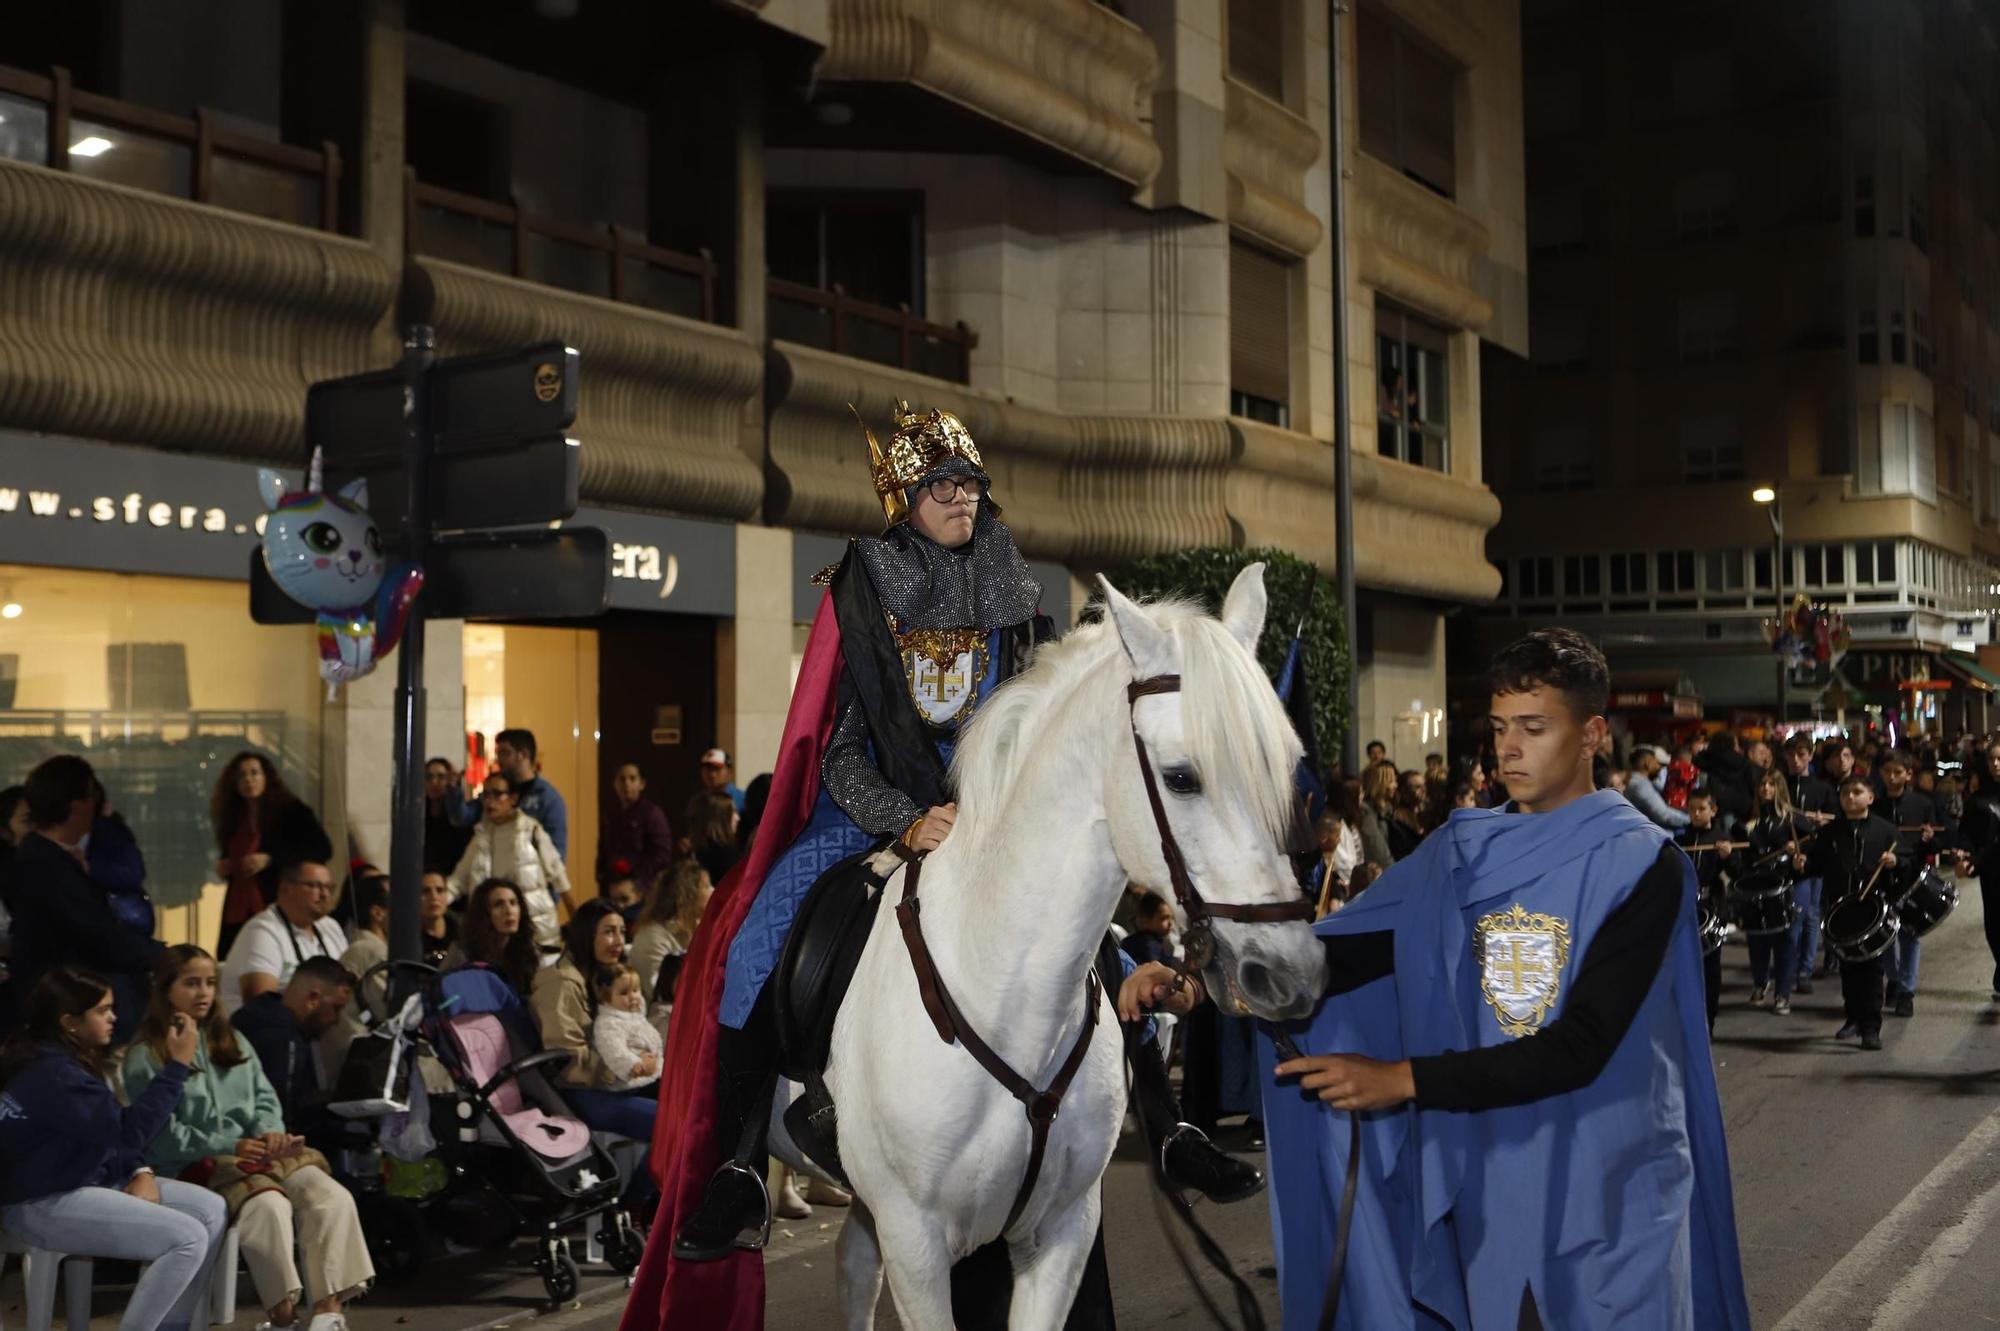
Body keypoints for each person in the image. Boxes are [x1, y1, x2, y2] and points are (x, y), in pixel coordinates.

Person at [642, 403, 1254, 1331]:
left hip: (991, 812)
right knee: (759, 932)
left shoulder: (1016, 585)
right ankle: (735, 1164)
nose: (961, 497)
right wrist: (906, 819)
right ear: (905, 497)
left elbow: (1030, 722)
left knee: (1089, 938)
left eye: (969, 483)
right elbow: (841, 751)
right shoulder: (861, 585)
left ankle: (1167, 1126)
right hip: (871, 813)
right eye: (942, 485)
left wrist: (990, 807)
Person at [1244, 628, 1748, 1329]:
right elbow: (1337, 960)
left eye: (1534, 728)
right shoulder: (1458, 854)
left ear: (1592, 732)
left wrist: (1401, 1078)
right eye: (1501, 727)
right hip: (1493, 1184)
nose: (1508, 748)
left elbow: (1583, 1044)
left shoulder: (1643, 865)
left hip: (1612, 1185)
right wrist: (1209, 980)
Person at [124, 947, 373, 1331]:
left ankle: (327, 1313)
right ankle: (283, 1318)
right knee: (268, 1206)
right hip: (199, 1163)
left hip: (256, 1154)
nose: (204, 993)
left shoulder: (233, 1040)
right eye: (191, 983)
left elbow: (264, 1098)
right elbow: (160, 1136)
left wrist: (271, 1133)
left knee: (329, 1194)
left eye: (210, 983)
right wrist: (231, 1145)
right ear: (164, 989)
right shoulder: (145, 1055)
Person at [0, 967, 226, 1331]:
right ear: (70, 1022)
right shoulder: (55, 1074)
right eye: (103, 1010)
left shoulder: (54, 1057)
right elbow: (128, 1131)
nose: (114, 1017)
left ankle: (171, 1327)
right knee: (187, 1237)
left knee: (211, 1209)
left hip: (81, 1179)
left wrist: (140, 1171)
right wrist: (178, 1065)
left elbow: (107, 1133)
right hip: (40, 1201)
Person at [1, 755, 163, 1038]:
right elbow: (96, 935)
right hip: (62, 1008)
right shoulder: (44, 865)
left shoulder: (46, 856)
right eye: (91, 796)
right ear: (77, 806)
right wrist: (162, 956)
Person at [530, 900, 657, 1206]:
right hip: (581, 1091)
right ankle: (634, 1206)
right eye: (609, 932)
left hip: (614, 1082)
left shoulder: (606, 975)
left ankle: (661, 1203)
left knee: (696, 1103)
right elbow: (566, 1059)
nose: (618, 941)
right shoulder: (559, 981)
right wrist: (627, 1065)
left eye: (621, 932)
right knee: (672, 1125)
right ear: (587, 934)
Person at [1800, 776, 1904, 1050]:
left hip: (1872, 910)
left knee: (1871, 970)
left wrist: (1895, 862)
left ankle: (1871, 1027)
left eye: (1857, 792)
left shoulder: (1886, 831)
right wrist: (1803, 864)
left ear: (1870, 797)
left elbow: (1907, 864)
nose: (1850, 797)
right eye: (1845, 792)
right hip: (1840, 909)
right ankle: (1852, 1018)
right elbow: (1816, 866)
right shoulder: (1829, 833)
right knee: (1848, 969)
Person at [210, 753, 331, 960]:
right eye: (241, 776)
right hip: (239, 902)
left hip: (276, 895)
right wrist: (227, 864)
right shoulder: (233, 816)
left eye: (254, 773)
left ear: (267, 777)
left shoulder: (292, 812)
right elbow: (233, 851)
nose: (249, 780)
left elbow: (321, 848)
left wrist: (271, 859)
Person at [231, 956, 357, 1142]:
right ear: (313, 999)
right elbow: (287, 1116)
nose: (336, 1020)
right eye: (336, 1008)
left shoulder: (257, 1014)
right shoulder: (283, 1041)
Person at [448, 771, 571, 953]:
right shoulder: (481, 837)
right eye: (486, 795)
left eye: (497, 794)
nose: (490, 801)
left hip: (536, 932)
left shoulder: (531, 830)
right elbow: (459, 879)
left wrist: (574, 914)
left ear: (513, 798)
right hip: (494, 937)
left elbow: (557, 874)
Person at [1874, 751, 1953, 1018]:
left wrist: (1930, 839)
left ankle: (1907, 990)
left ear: (1909, 774)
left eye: (1898, 772)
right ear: (1881, 774)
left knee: (1910, 935)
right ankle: (1894, 980)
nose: (1892, 777)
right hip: (1882, 876)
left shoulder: (1923, 804)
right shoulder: (1875, 806)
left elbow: (1942, 840)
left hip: (1912, 877)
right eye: (1887, 772)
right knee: (1885, 935)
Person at [217, 859, 347, 1017]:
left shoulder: (330, 926)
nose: (324, 894)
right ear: (286, 888)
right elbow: (261, 1007)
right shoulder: (262, 930)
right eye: (314, 886)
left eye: (329, 887)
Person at [1737, 772, 1803, 1014]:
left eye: (1770, 784)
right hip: (1754, 884)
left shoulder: (1789, 818)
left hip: (1781, 883)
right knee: (1756, 939)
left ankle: (1783, 993)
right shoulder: (1748, 821)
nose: (1765, 788)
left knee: (1783, 941)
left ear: (1779, 788)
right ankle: (1759, 983)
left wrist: (1796, 849)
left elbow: (1810, 841)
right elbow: (1741, 854)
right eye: (1761, 784)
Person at [1781, 735, 1838, 991]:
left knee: (1811, 914)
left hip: (1814, 856)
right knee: (1790, 914)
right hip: (1784, 856)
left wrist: (1822, 825)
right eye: (1791, 754)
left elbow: (1834, 822)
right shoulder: (1779, 787)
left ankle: (1804, 969)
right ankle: (1787, 967)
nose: (1795, 760)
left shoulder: (1823, 789)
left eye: (1801, 754)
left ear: (1810, 756)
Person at [1673, 790, 1730, 1031]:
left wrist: (1727, 858)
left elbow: (1737, 871)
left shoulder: (1721, 838)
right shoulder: (1682, 838)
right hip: (1686, 907)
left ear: (1713, 810)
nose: (1696, 814)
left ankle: (1709, 1022)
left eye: (1701, 809)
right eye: (1692, 809)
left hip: (1712, 906)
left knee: (1710, 967)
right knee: (1685, 967)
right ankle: (1687, 1021)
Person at [630, 858, 711, 1013]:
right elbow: (658, 991)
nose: (713, 891)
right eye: (706, 886)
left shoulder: (701, 928)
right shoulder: (652, 937)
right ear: (689, 893)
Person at [446, 878, 542, 996]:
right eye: (498, 904)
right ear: (484, 913)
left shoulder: (529, 952)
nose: (509, 911)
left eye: (513, 903)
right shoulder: (462, 953)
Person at [1958, 740, 2000, 999]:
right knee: (1995, 924)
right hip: (1992, 868)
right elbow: (1967, 834)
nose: (1997, 764)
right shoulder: (1979, 799)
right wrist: (1963, 854)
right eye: (1992, 759)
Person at [489, 728, 569, 862]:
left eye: (505, 753)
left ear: (523, 755)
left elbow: (556, 855)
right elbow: (464, 816)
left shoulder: (547, 797)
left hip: (531, 877)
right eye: (498, 753)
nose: (499, 760)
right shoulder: (496, 790)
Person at [600, 762, 675, 896]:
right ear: (615, 784)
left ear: (642, 784)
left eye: (632, 779)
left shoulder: (652, 814)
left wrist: (632, 870)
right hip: (614, 887)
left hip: (643, 888)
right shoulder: (612, 815)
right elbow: (604, 849)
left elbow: (662, 856)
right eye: (621, 779)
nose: (626, 784)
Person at [592, 963, 665, 1093]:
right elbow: (613, 1050)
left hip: (652, 1077)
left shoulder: (636, 1017)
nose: (632, 997)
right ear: (606, 998)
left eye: (636, 990)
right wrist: (635, 1065)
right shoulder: (608, 1023)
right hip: (630, 1085)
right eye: (624, 993)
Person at [422, 757, 473, 876]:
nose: (434, 782)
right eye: (429, 777)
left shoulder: (458, 815)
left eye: (441, 777)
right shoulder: (419, 813)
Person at [1694, 731, 1755, 826]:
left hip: (1712, 810)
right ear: (1732, 745)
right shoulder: (1743, 763)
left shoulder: (1704, 761)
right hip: (1740, 810)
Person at [683, 789, 742, 886]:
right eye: (733, 812)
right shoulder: (729, 858)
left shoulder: (691, 856)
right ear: (719, 818)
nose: (738, 818)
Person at [1627, 745, 1691, 829]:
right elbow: (1663, 815)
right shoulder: (1640, 786)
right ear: (1648, 763)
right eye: (1656, 762)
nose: (1659, 767)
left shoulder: (1635, 781)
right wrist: (1692, 820)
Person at [1118, 891, 1177, 968]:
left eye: (1172, 918)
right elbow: (1156, 966)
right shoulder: (1147, 943)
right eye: (1164, 918)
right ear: (1145, 920)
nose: (1170, 923)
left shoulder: (1156, 941)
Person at [417, 870, 458, 970]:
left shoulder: (461, 931)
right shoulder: (409, 936)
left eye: (439, 890)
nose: (434, 897)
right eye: (425, 891)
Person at [697, 747, 746, 815]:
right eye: (708, 769)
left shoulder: (744, 800)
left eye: (717, 769)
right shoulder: (698, 802)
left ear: (729, 771)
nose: (712, 774)